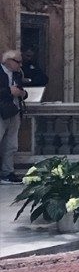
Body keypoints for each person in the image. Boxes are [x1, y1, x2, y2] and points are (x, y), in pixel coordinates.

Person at [1, 50, 27, 185]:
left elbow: (21, 90)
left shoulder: (17, 74)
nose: (20, 65)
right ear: (8, 61)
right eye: (18, 62)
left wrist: (22, 93)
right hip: (1, 111)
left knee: (11, 144)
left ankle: (8, 172)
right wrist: (8, 91)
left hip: (14, 111)